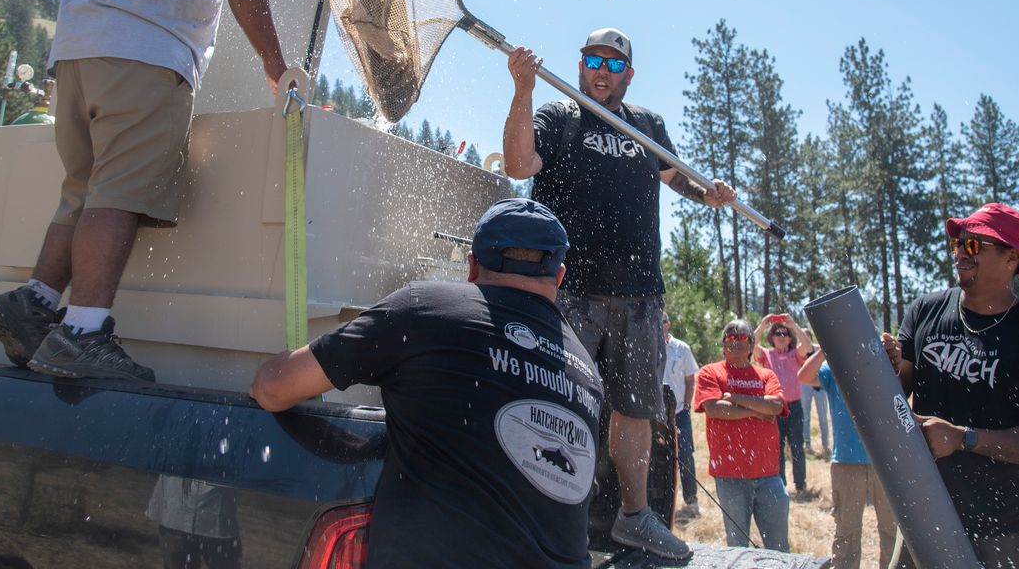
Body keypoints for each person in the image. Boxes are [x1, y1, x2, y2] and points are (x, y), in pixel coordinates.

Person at [0, 0, 287, 382]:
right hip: (144, 50)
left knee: (86, 188)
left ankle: (35, 304)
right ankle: (82, 333)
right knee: (118, 193)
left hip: (74, 52)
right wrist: (276, 65)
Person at [250, 198, 604, 569]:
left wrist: (259, 380)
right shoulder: (586, 370)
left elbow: (275, 387)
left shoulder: (426, 307)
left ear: (472, 266)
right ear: (559, 276)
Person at [502, 28, 734, 561]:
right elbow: (518, 165)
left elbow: (679, 179)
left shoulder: (647, 126)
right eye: (592, 60)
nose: (601, 71)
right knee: (559, 405)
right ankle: (547, 519)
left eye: (612, 63)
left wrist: (712, 194)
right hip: (570, 291)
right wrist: (522, 90)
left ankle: (634, 519)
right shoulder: (559, 115)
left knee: (635, 410)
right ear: (579, 64)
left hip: (640, 297)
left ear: (628, 73)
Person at [881, 202, 1019, 568]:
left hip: (1008, 529)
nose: (960, 253)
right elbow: (895, 395)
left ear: (1010, 259)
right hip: (925, 515)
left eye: (974, 245)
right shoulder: (925, 312)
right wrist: (883, 366)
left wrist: (965, 438)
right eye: (958, 244)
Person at [694, 320, 789, 551]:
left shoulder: (766, 375)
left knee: (779, 549)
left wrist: (734, 397)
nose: (735, 341)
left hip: (769, 475)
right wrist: (758, 410)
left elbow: (776, 406)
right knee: (737, 549)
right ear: (723, 345)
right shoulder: (710, 372)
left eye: (742, 338)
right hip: (730, 475)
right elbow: (715, 409)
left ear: (752, 344)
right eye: (730, 338)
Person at [797, 348, 896, 569]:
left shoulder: (881, 362)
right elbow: (804, 376)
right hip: (846, 461)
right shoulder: (833, 367)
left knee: (892, 530)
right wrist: (825, 347)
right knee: (846, 531)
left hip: (885, 461)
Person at [753, 313, 812, 493]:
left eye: (784, 334)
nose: (780, 337)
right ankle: (780, 484)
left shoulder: (795, 354)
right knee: (776, 448)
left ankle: (800, 484)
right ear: (771, 337)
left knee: (797, 447)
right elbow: (751, 345)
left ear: (789, 338)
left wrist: (793, 325)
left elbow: (808, 345)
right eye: (777, 334)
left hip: (794, 406)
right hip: (774, 408)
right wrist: (762, 326)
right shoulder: (766, 355)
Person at [661, 312, 700, 523]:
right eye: (658, 320)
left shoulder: (682, 348)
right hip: (657, 413)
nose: (661, 324)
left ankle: (691, 499)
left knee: (685, 454)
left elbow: (690, 379)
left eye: (664, 320)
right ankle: (660, 501)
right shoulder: (649, 345)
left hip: (679, 412)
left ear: (670, 324)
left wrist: (686, 405)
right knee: (658, 457)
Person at [801, 349, 831, 458]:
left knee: (823, 417)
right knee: (806, 416)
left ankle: (825, 445)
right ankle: (807, 445)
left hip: (820, 382)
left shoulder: (816, 348)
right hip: (806, 384)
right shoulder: (801, 349)